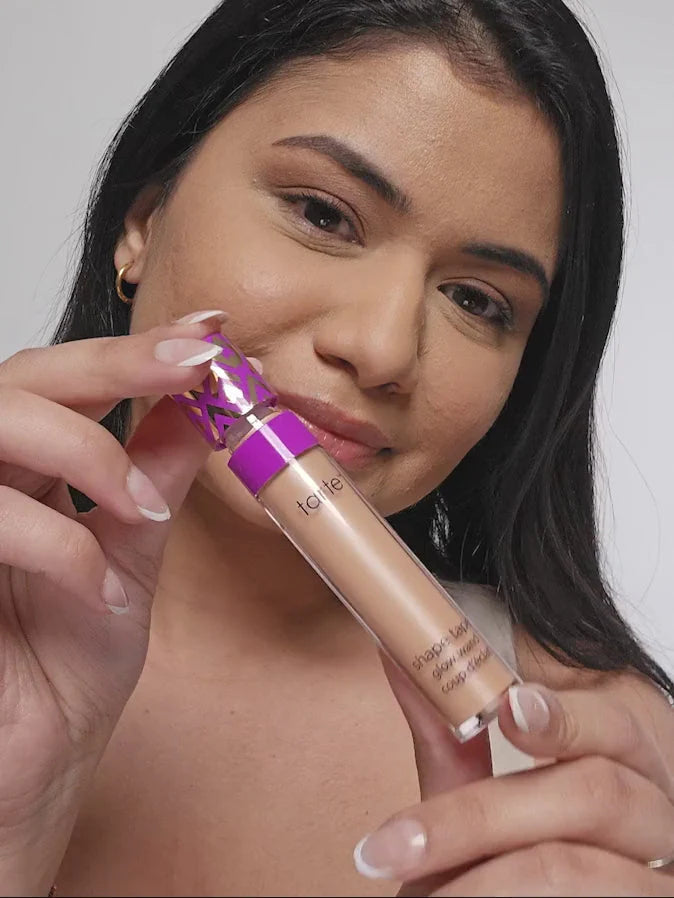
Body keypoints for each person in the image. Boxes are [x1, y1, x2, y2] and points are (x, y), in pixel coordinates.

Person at [1, 1, 672, 895]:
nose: (382, 348)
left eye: (477, 301)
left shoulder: (581, 758)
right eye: (323, 214)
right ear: (145, 219)